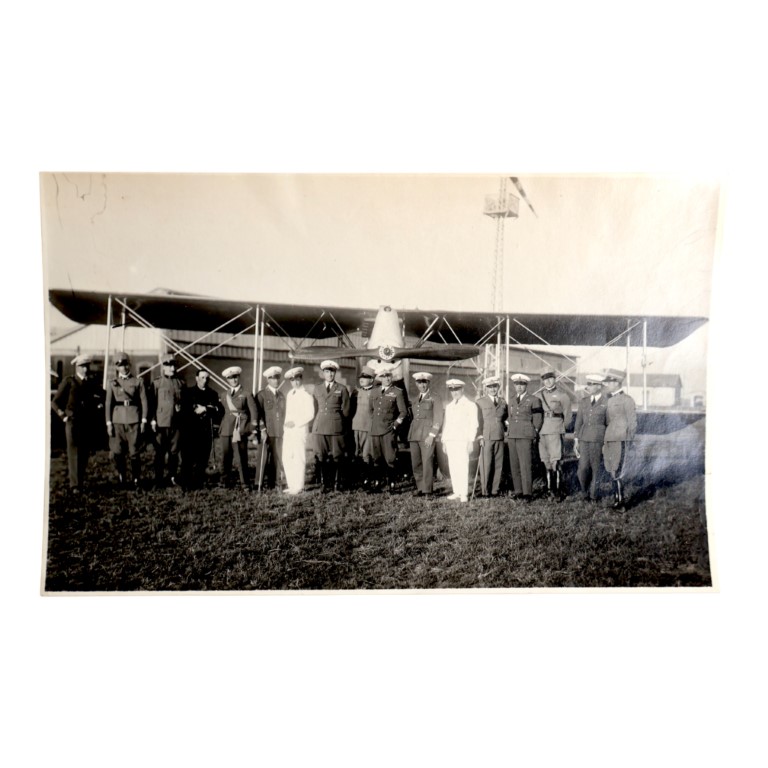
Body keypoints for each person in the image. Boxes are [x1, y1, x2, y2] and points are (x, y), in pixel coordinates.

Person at [51, 354, 105, 493]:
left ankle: (80, 482)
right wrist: (63, 416)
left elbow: (103, 395)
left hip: (86, 422)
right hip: (72, 422)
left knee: (84, 452)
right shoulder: (69, 381)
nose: (85, 369)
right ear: (77, 367)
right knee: (74, 452)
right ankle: (74, 485)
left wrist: (99, 404)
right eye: (82, 366)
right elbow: (55, 402)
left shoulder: (91, 382)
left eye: (87, 366)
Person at [105, 354, 149, 489]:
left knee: (134, 451)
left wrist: (144, 420)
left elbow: (144, 401)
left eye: (125, 365)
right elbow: (108, 403)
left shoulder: (138, 381)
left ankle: (136, 479)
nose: (123, 368)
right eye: (120, 366)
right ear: (116, 368)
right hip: (117, 421)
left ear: (129, 365)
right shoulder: (112, 383)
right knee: (118, 451)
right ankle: (122, 478)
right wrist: (108, 423)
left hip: (133, 419)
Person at [311, 360, 350, 493]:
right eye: (327, 372)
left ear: (335, 373)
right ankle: (324, 483)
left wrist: (340, 423)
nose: (330, 374)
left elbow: (346, 411)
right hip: (320, 425)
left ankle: (337, 484)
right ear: (323, 373)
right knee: (321, 455)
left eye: (332, 372)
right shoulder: (317, 388)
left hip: (336, 427)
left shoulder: (342, 389)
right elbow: (314, 408)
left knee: (337, 456)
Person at [181, 368, 223, 489]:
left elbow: (219, 411)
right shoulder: (188, 392)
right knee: (188, 457)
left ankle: (198, 482)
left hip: (205, 431)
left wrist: (205, 408)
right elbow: (184, 410)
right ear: (197, 378)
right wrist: (195, 410)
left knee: (202, 458)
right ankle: (186, 483)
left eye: (207, 378)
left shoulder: (212, 394)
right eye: (202, 377)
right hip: (190, 430)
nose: (205, 380)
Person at [367, 368, 408, 493]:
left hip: (388, 430)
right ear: (380, 378)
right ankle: (377, 483)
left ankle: (392, 484)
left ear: (392, 377)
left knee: (390, 458)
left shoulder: (397, 392)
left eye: (389, 376)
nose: (387, 379)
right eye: (384, 377)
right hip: (375, 429)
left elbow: (403, 412)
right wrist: (375, 422)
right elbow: (370, 410)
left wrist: (395, 425)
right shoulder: (374, 391)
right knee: (376, 458)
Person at [218, 366, 259, 489]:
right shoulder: (224, 395)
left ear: (238, 377)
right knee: (225, 457)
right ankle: (224, 481)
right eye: (230, 378)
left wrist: (251, 428)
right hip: (226, 429)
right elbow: (221, 412)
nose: (233, 380)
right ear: (227, 380)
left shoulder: (246, 393)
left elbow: (254, 412)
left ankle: (244, 482)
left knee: (241, 457)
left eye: (235, 377)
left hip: (240, 428)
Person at [602, 372, 637, 510]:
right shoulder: (609, 400)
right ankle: (616, 499)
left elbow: (632, 422)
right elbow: (608, 421)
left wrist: (629, 440)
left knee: (618, 469)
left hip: (620, 439)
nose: (608, 385)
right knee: (611, 468)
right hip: (609, 438)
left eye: (610, 383)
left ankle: (621, 503)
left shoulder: (627, 400)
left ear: (617, 383)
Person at [505, 373, 543, 502]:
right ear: (514, 386)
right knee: (514, 465)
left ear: (526, 386)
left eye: (522, 385)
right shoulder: (511, 400)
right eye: (517, 385)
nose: (519, 387)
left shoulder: (533, 400)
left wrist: (534, 432)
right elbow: (510, 417)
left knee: (525, 464)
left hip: (525, 436)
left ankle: (527, 493)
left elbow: (537, 419)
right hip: (512, 435)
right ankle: (518, 491)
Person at [149, 353, 184, 488]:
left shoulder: (181, 383)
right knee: (160, 452)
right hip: (161, 423)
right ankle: (158, 479)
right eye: (169, 366)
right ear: (163, 367)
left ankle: (172, 477)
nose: (172, 368)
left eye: (173, 365)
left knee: (174, 452)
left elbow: (184, 402)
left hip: (176, 422)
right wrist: (153, 420)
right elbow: (152, 404)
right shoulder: (157, 383)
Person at [440, 379, 479, 503]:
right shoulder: (449, 406)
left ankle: (464, 493)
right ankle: (457, 491)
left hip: (462, 440)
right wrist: (444, 441)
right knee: (453, 466)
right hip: (451, 440)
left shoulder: (470, 405)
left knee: (462, 466)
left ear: (462, 389)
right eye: (452, 390)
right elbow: (447, 425)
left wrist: (470, 441)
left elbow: (474, 424)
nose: (454, 392)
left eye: (456, 389)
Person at [537, 370, 573, 501]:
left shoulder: (562, 395)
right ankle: (548, 490)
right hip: (542, 431)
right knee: (545, 460)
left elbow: (568, 415)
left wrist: (562, 428)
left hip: (555, 430)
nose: (548, 381)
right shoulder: (539, 396)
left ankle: (558, 490)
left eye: (550, 378)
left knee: (556, 460)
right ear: (542, 381)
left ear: (555, 379)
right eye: (545, 379)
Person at [407, 372, 444, 497]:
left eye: (424, 382)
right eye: (419, 382)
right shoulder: (415, 398)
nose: (422, 385)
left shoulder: (435, 398)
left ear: (428, 383)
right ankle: (420, 488)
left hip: (427, 435)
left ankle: (428, 490)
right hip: (414, 434)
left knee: (427, 462)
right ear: (416, 384)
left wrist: (432, 435)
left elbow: (438, 418)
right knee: (416, 463)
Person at [573, 374, 608, 502]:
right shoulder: (584, 401)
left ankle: (593, 495)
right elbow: (578, 421)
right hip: (584, 438)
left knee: (596, 468)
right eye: (588, 384)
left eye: (592, 384)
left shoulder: (606, 402)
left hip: (598, 439)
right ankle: (584, 491)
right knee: (582, 469)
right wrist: (576, 440)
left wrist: (606, 442)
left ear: (599, 386)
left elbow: (608, 423)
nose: (589, 387)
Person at [281, 367, 316, 495]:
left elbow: (310, 414)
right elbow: (288, 413)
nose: (295, 382)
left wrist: (295, 423)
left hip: (299, 430)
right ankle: (291, 484)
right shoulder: (290, 394)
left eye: (297, 379)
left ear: (301, 379)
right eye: (292, 380)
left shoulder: (306, 394)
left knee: (298, 457)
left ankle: (299, 486)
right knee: (287, 457)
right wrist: (286, 426)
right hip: (288, 431)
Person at [476, 375, 508, 497]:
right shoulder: (480, 402)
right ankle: (485, 490)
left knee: (498, 464)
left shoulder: (503, 402)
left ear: (498, 387)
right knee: (486, 464)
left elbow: (505, 418)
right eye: (490, 387)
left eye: (495, 386)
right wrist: (480, 436)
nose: (493, 389)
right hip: (486, 436)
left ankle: (495, 490)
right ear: (486, 388)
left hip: (499, 435)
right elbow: (478, 421)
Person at [256, 366, 286, 490]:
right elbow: (258, 414)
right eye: (273, 378)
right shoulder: (262, 395)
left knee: (277, 458)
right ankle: (259, 483)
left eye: (277, 378)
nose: (276, 381)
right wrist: (262, 430)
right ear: (268, 379)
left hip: (278, 432)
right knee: (263, 458)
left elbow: (284, 414)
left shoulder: (281, 396)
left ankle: (274, 483)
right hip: (267, 431)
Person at [349, 367, 377, 489]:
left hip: (368, 427)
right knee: (356, 453)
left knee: (367, 454)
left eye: (365, 377)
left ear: (372, 380)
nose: (362, 379)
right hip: (356, 426)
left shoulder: (375, 393)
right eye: (361, 377)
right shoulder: (356, 392)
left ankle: (367, 479)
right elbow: (350, 409)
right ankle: (356, 479)